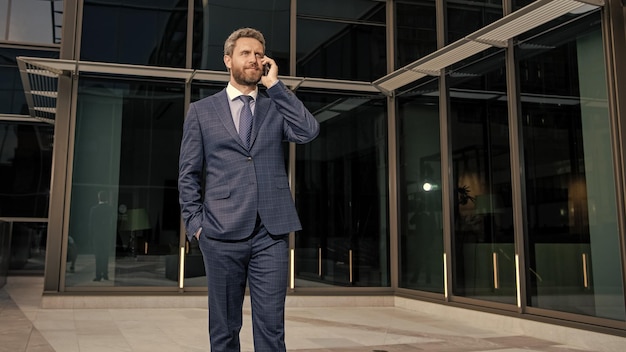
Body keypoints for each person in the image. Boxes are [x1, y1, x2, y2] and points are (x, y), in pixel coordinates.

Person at [178, 27, 320, 351]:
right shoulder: (201, 112)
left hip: (270, 234)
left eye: (259, 54)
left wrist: (276, 86)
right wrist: (196, 226)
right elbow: (188, 174)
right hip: (219, 233)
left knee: (272, 331)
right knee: (225, 331)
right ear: (228, 60)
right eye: (246, 53)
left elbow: (309, 130)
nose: (254, 59)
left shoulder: (275, 106)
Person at [89, 190, 115, 281]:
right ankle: (105, 274)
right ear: (106, 198)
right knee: (106, 255)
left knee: (98, 256)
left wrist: (91, 236)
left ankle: (98, 275)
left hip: (97, 236)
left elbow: (91, 225)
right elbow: (112, 223)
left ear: (98, 198)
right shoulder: (110, 209)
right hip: (107, 235)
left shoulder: (94, 209)